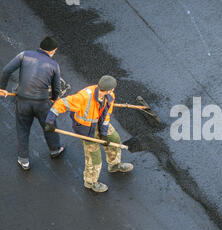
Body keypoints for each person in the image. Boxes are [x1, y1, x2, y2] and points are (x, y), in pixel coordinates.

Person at [45, 75, 133, 192]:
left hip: (99, 122)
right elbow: (61, 103)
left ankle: (114, 164)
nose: (113, 91)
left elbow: (106, 116)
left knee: (114, 139)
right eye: (113, 89)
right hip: (85, 129)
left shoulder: (110, 96)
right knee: (94, 156)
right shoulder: (84, 96)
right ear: (109, 89)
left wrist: (104, 133)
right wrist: (49, 121)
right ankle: (90, 182)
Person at [0, 36, 65, 170]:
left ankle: (23, 160)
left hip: (22, 101)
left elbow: (6, 71)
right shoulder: (54, 65)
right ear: (53, 50)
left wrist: (2, 88)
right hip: (42, 103)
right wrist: (53, 98)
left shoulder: (24, 55)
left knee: (22, 129)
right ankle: (55, 150)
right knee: (49, 126)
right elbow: (56, 88)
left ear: (40, 47)